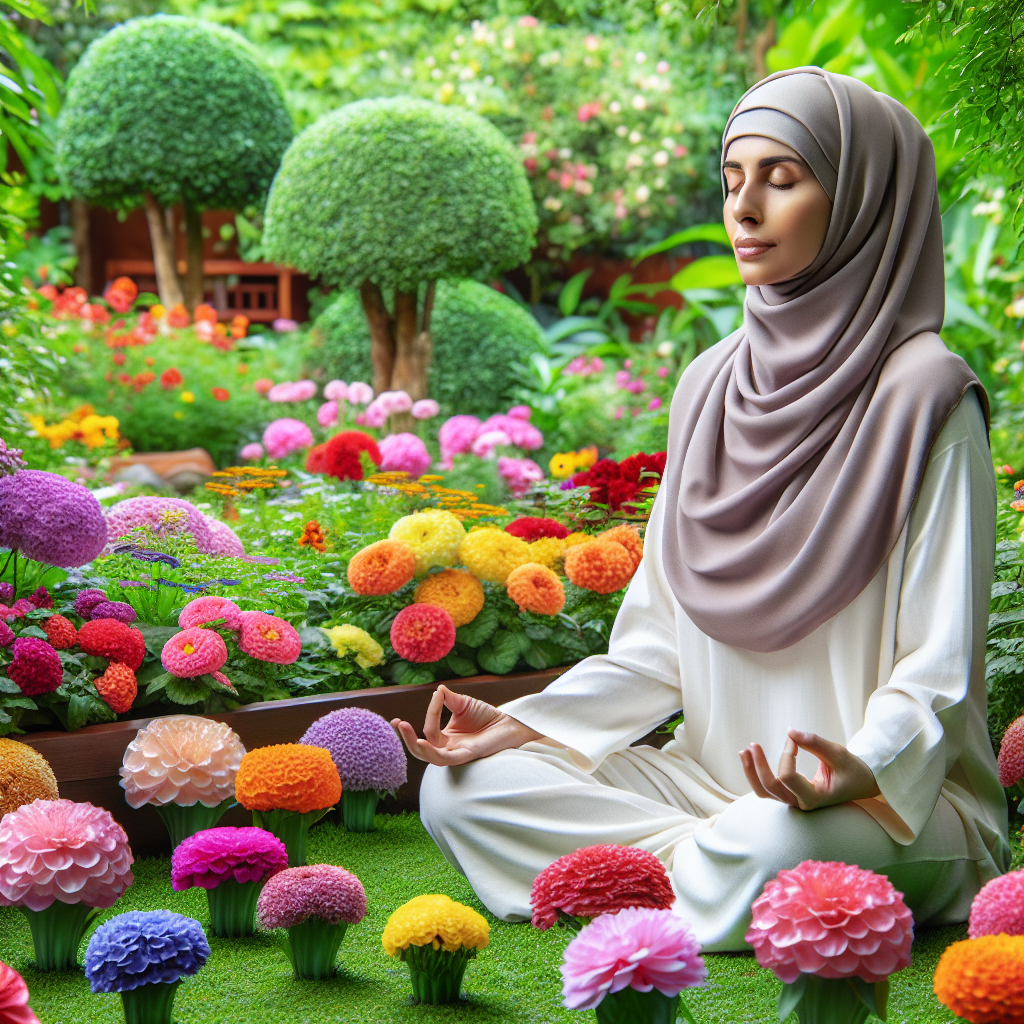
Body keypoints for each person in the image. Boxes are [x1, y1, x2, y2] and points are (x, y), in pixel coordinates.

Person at [392, 67, 1011, 950]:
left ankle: (651, 880)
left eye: (783, 178)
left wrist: (860, 767)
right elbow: (654, 649)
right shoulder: (710, 385)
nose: (744, 209)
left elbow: (939, 669)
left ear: (866, 199)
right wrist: (527, 723)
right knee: (464, 788)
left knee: (768, 842)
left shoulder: (928, 398)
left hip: (878, 806)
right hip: (707, 783)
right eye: (732, 182)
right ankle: (705, 880)